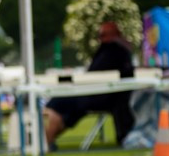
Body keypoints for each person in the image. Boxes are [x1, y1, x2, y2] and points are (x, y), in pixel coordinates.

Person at [44, 21, 135, 149]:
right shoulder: (120, 50)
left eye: (102, 34)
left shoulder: (111, 51)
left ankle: (46, 142)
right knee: (64, 109)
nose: (100, 38)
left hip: (97, 96)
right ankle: (47, 140)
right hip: (100, 95)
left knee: (57, 103)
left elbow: (93, 74)